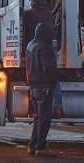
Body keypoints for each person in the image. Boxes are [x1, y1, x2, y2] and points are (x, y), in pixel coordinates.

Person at [26, 22, 59, 156]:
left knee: (38, 118)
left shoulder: (31, 45)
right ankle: (40, 148)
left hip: (34, 86)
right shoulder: (45, 48)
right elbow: (48, 69)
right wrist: (60, 76)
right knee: (44, 118)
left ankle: (32, 146)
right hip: (44, 86)